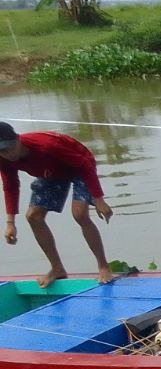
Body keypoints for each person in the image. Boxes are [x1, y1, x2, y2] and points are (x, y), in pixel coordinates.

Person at [0, 122, 114, 286]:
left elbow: (84, 164)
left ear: (17, 139)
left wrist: (99, 199)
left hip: (80, 166)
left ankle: (103, 266)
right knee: (33, 216)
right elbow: (10, 186)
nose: (9, 154)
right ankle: (57, 268)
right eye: (3, 151)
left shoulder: (47, 146)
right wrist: (10, 223)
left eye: (11, 147)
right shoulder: (4, 159)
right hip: (52, 172)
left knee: (79, 214)